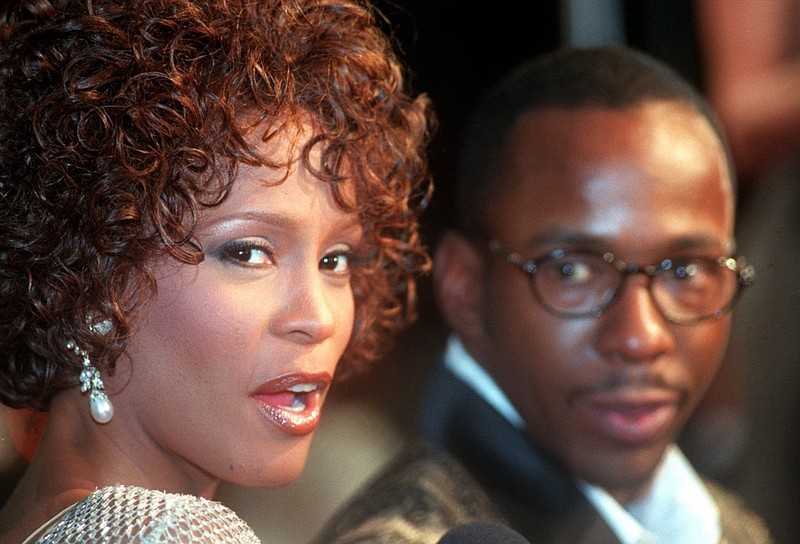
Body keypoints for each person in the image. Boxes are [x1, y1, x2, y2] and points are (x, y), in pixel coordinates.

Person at [0, 0, 433, 542]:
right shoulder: (175, 532)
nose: (318, 317)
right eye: (249, 252)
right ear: (89, 278)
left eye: (335, 260)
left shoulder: (35, 517)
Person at [312, 46, 772, 543]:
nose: (641, 337)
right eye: (572, 270)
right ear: (464, 286)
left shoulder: (719, 523)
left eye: (685, 271)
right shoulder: (401, 537)